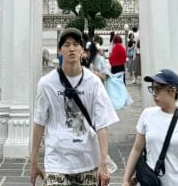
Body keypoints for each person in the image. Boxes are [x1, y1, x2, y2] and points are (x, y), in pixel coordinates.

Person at [31, 28, 119, 186]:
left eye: (76, 44)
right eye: (66, 45)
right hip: (56, 160)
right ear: (60, 50)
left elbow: (102, 124)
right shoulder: (46, 84)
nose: (71, 49)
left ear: (83, 50)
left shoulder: (93, 83)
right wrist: (33, 161)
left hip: (87, 159)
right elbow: (39, 122)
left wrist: (103, 163)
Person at [122, 69, 178, 186]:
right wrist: (126, 179)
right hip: (151, 182)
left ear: (172, 91)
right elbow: (137, 149)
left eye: (158, 89)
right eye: (153, 88)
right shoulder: (147, 115)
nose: (154, 93)